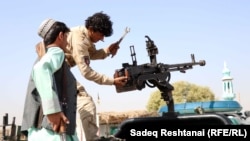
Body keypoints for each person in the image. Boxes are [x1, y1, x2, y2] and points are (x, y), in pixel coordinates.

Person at [35, 12, 127, 141]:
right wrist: (112, 81)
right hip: (59, 72)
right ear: (91, 29)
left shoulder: (84, 35)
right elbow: (86, 72)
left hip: (61, 70)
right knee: (85, 100)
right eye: (101, 35)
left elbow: (91, 54)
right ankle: (93, 139)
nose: (102, 39)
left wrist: (107, 50)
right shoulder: (79, 40)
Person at [21, 18, 79, 141]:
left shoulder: (44, 56)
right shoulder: (56, 52)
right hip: (51, 133)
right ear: (61, 36)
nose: (68, 43)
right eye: (67, 38)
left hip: (42, 133)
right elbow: (41, 69)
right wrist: (52, 110)